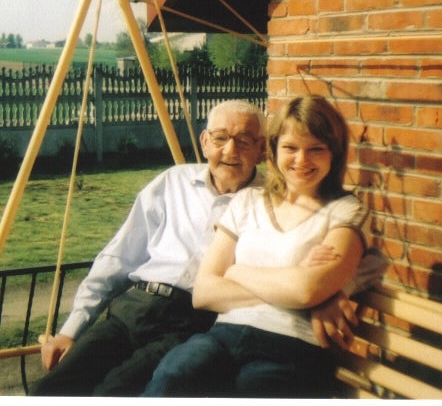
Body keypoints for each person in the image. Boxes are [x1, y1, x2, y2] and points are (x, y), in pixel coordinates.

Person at [30, 99, 376, 396]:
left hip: (192, 323)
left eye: (244, 141)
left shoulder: (266, 199)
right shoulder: (176, 183)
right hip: (136, 307)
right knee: (54, 389)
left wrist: (328, 289)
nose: (230, 151)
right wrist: (70, 328)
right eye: (221, 139)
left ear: (260, 149)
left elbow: (353, 266)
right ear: (205, 141)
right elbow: (119, 258)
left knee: (114, 392)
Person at [141, 95, 367, 398]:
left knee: (254, 389)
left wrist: (235, 270)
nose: (301, 160)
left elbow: (306, 290)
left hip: (293, 347)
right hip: (221, 337)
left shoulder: (346, 210)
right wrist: (292, 278)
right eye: (290, 147)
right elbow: (205, 292)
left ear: (334, 154)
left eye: (316, 149)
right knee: (174, 375)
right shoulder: (248, 201)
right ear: (273, 149)